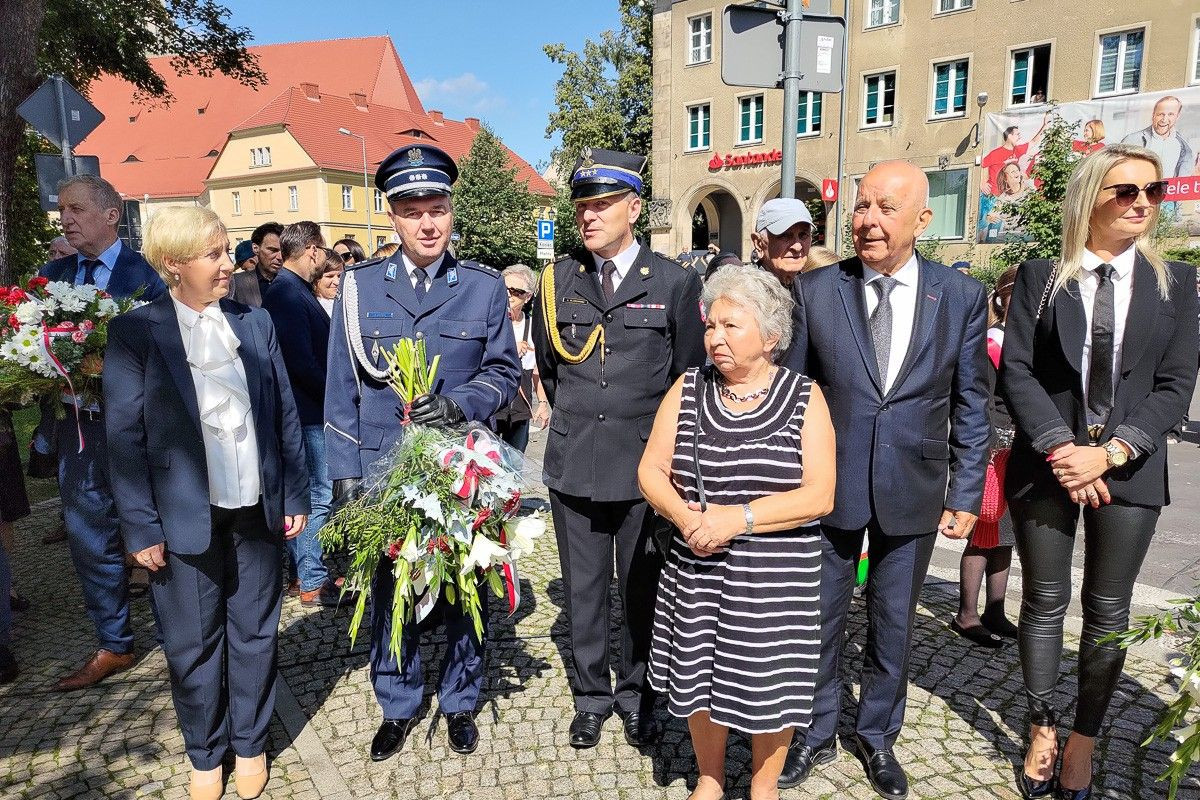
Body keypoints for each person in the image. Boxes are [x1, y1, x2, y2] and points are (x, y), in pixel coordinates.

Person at [780, 160, 990, 798]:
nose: (868, 220)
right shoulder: (817, 290)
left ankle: (876, 737)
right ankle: (813, 733)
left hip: (914, 487)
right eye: (862, 206)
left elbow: (972, 403)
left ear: (922, 219)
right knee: (818, 619)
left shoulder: (959, 297)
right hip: (828, 488)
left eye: (885, 208)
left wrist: (967, 492)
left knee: (893, 621)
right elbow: (793, 397)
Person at [999, 144, 1197, 800]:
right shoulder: (1039, 275)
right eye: (1125, 191)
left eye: (1152, 191)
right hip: (1047, 462)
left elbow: (1175, 385)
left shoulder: (1178, 283)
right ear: (1090, 199)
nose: (1142, 202)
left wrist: (1109, 454)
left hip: (1130, 469)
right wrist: (1063, 449)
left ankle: (1084, 738)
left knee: (1109, 611)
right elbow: (1018, 370)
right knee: (1045, 601)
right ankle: (1043, 726)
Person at [105, 205, 309, 800]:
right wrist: (140, 526)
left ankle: (250, 744)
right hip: (182, 517)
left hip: (256, 508)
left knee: (254, 631)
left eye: (227, 250)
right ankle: (205, 752)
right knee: (193, 644)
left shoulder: (254, 322)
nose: (229, 263)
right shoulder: (137, 332)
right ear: (173, 265)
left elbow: (285, 414)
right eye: (214, 254)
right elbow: (124, 438)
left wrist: (292, 490)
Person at [324, 143, 520, 761]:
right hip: (383, 469)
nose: (428, 223)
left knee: (467, 588)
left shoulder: (483, 288)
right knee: (389, 590)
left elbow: (505, 373)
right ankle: (399, 701)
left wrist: (462, 403)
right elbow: (340, 392)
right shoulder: (357, 290)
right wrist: (346, 478)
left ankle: (461, 698)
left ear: (451, 210)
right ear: (392, 215)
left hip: (458, 467)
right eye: (413, 210)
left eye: (438, 208)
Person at [532, 147, 705, 750]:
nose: (589, 215)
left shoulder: (675, 281)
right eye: (582, 205)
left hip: (644, 469)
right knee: (582, 590)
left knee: (641, 588)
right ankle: (590, 695)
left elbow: (687, 376)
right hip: (576, 460)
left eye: (602, 204)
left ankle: (637, 692)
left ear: (634, 207)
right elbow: (553, 373)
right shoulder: (558, 282)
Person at [640, 265, 835, 800]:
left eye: (732, 325)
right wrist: (687, 519)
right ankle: (709, 777)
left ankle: (763, 783)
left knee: (770, 686)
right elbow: (650, 471)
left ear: (771, 336)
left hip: (774, 575)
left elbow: (820, 494)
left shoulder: (804, 395)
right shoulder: (688, 387)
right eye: (711, 326)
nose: (716, 338)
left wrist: (738, 518)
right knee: (700, 678)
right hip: (698, 565)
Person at [38, 174, 167, 691]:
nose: (65, 219)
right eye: (62, 210)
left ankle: (181, 631)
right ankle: (114, 643)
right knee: (89, 537)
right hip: (79, 431)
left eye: (75, 209)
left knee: (155, 533)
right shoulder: (53, 276)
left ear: (111, 215)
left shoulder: (148, 278)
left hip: (141, 432)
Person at [263, 221, 343, 608]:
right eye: (322, 253)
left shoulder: (290, 290)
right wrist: (337, 397)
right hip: (307, 411)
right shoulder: (287, 294)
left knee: (313, 494)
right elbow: (300, 362)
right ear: (312, 250)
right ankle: (311, 579)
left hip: (309, 408)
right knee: (315, 496)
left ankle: (307, 573)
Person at [952, 267, 1020, 649]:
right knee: (983, 530)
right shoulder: (992, 341)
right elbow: (979, 400)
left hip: (1021, 449)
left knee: (1005, 534)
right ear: (1003, 298)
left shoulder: (1026, 338)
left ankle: (996, 608)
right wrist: (992, 442)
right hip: (994, 448)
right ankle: (967, 613)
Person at [494, 263, 549, 452]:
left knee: (514, 467)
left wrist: (542, 403)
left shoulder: (533, 327)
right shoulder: (490, 324)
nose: (509, 294)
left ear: (528, 296)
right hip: (492, 406)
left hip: (519, 409)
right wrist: (509, 351)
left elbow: (537, 372)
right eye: (505, 289)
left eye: (516, 291)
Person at [1120, 96, 1192, 179]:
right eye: (1161, 114)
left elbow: (1183, 178)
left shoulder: (1183, 146)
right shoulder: (1132, 140)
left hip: (1168, 191)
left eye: (1170, 114)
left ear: (1177, 116)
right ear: (1153, 114)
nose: (1164, 119)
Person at [751, 198, 813, 286]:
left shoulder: (815, 289)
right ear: (759, 243)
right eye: (785, 236)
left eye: (803, 235)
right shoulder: (741, 294)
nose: (797, 247)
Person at [982, 118, 1047, 195]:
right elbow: (982, 165)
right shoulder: (995, 153)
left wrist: (1045, 125)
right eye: (1017, 134)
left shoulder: (1017, 150)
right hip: (993, 195)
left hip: (1007, 194)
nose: (1019, 137)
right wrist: (982, 182)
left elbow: (1033, 142)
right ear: (1009, 136)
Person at [228, 222, 284, 307]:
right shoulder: (236, 283)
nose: (280, 257)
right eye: (273, 250)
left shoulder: (295, 281)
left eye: (283, 251)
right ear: (255, 248)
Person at [312, 248, 344, 317]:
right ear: (315, 278)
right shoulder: (310, 306)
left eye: (339, 275)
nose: (337, 282)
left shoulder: (350, 302)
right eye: (330, 276)